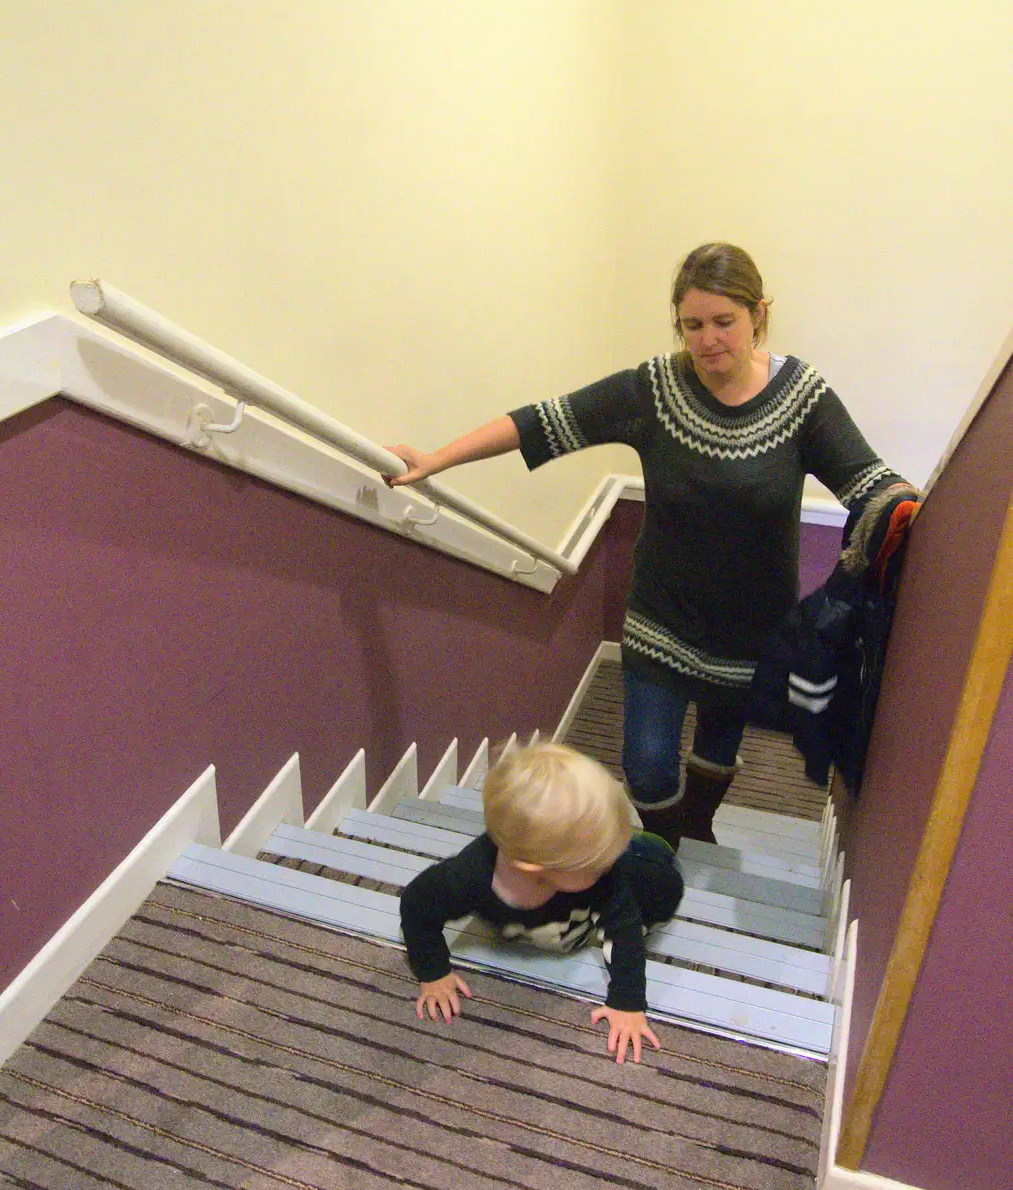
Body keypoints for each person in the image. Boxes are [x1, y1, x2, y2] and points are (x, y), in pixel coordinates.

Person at [387, 243, 911, 848]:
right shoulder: (652, 392)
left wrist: (910, 510)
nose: (708, 339)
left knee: (719, 744)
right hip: (660, 618)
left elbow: (867, 480)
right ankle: (664, 845)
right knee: (647, 763)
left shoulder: (802, 398)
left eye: (724, 322)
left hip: (754, 628)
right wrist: (435, 459)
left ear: (758, 314)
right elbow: (540, 422)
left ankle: (700, 828)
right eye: (692, 325)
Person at [399, 742, 684, 1065]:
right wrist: (432, 971)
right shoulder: (470, 877)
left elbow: (626, 932)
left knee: (664, 884)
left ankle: (645, 844)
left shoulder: (603, 875)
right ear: (535, 870)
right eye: (597, 863)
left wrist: (628, 1002)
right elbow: (416, 905)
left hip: (647, 864)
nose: (607, 866)